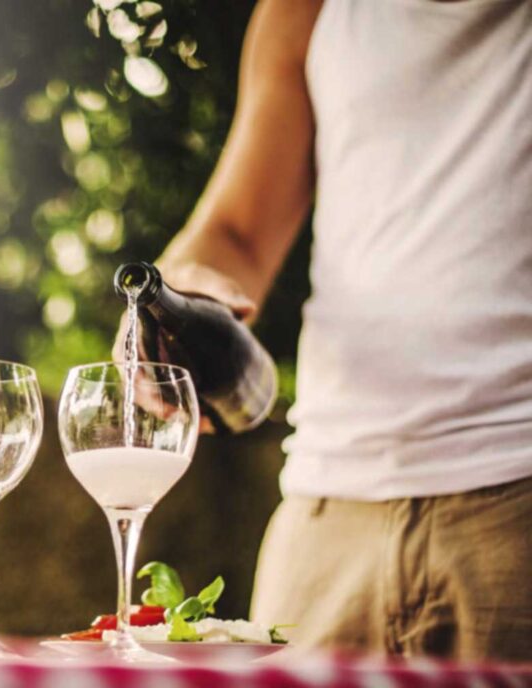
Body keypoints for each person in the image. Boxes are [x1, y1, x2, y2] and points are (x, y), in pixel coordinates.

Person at [116, 0, 532, 661]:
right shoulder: (305, 8)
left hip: (518, 500)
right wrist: (182, 293)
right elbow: (238, 231)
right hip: (324, 508)